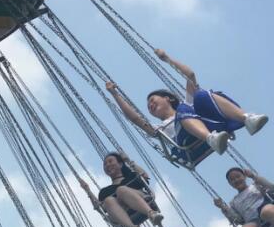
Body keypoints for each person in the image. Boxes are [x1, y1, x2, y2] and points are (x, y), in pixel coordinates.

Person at [106, 49, 268, 157]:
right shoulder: (159, 128)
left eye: (152, 101)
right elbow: (135, 118)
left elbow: (190, 75)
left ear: (168, 98)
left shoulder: (187, 105)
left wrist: (167, 59)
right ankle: (209, 138)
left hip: (212, 127)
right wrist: (115, 94)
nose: (150, 106)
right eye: (149, 107)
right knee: (183, 111)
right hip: (186, 144)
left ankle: (247, 119)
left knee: (201, 95)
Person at [84, 152, 163, 227]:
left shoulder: (131, 176)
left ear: (120, 164)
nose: (107, 165)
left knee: (121, 190)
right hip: (124, 213)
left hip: (143, 200)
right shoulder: (104, 192)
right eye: (105, 164)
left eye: (110, 161)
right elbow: (101, 209)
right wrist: (88, 191)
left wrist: (128, 161)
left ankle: (151, 213)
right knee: (108, 200)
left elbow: (144, 177)